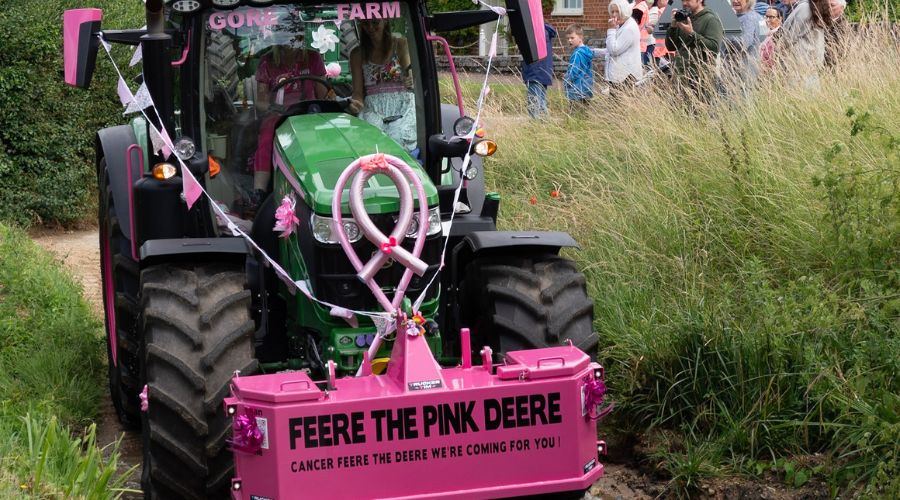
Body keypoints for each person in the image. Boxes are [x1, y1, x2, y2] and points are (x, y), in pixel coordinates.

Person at [254, 34, 327, 193]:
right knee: (267, 137)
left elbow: (323, 95)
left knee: (324, 136)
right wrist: (273, 108)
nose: (291, 41)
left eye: (296, 36)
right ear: (278, 38)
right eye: (286, 37)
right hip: (278, 115)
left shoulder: (313, 58)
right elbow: (260, 102)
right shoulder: (267, 62)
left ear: (301, 36)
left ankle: (325, 185)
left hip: (307, 113)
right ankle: (258, 191)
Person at [349, 19, 418, 153]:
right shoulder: (357, 54)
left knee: (397, 137)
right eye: (365, 24)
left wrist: (410, 78)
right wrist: (356, 103)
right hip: (373, 108)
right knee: (372, 142)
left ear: (385, 20)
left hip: (401, 105)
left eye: (375, 23)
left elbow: (409, 72)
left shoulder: (400, 44)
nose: (370, 27)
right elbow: (358, 92)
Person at [665, 0, 724, 99]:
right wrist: (673, 26)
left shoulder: (711, 19)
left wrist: (692, 34)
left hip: (700, 78)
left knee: (699, 113)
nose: (684, 3)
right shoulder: (685, 18)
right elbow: (671, 47)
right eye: (682, 0)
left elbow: (714, 48)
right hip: (681, 76)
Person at [778, 0, 833, 86]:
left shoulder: (804, 7)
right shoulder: (815, 6)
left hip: (800, 64)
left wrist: (778, 46)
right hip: (810, 64)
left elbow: (789, 36)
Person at [721, 0, 763, 83]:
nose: (735, 1)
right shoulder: (758, 16)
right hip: (749, 66)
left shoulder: (749, 18)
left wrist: (724, 35)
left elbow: (743, 43)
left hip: (741, 70)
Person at [605, 0, 643, 90]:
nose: (614, 14)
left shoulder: (629, 28)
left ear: (624, 10)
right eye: (612, 11)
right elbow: (611, 48)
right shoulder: (621, 25)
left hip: (625, 77)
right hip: (620, 76)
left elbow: (614, 50)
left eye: (617, 11)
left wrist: (611, 30)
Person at [522, 23, 557, 119]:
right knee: (541, 102)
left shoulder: (533, 31)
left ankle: (535, 126)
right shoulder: (545, 30)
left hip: (534, 72)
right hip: (544, 72)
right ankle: (544, 125)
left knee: (534, 104)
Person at [563, 25, 594, 109]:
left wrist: (566, 81)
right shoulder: (587, 51)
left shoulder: (577, 54)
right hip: (587, 89)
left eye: (572, 38)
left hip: (576, 90)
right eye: (568, 38)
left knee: (575, 116)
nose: (569, 40)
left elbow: (573, 71)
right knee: (584, 116)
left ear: (580, 37)